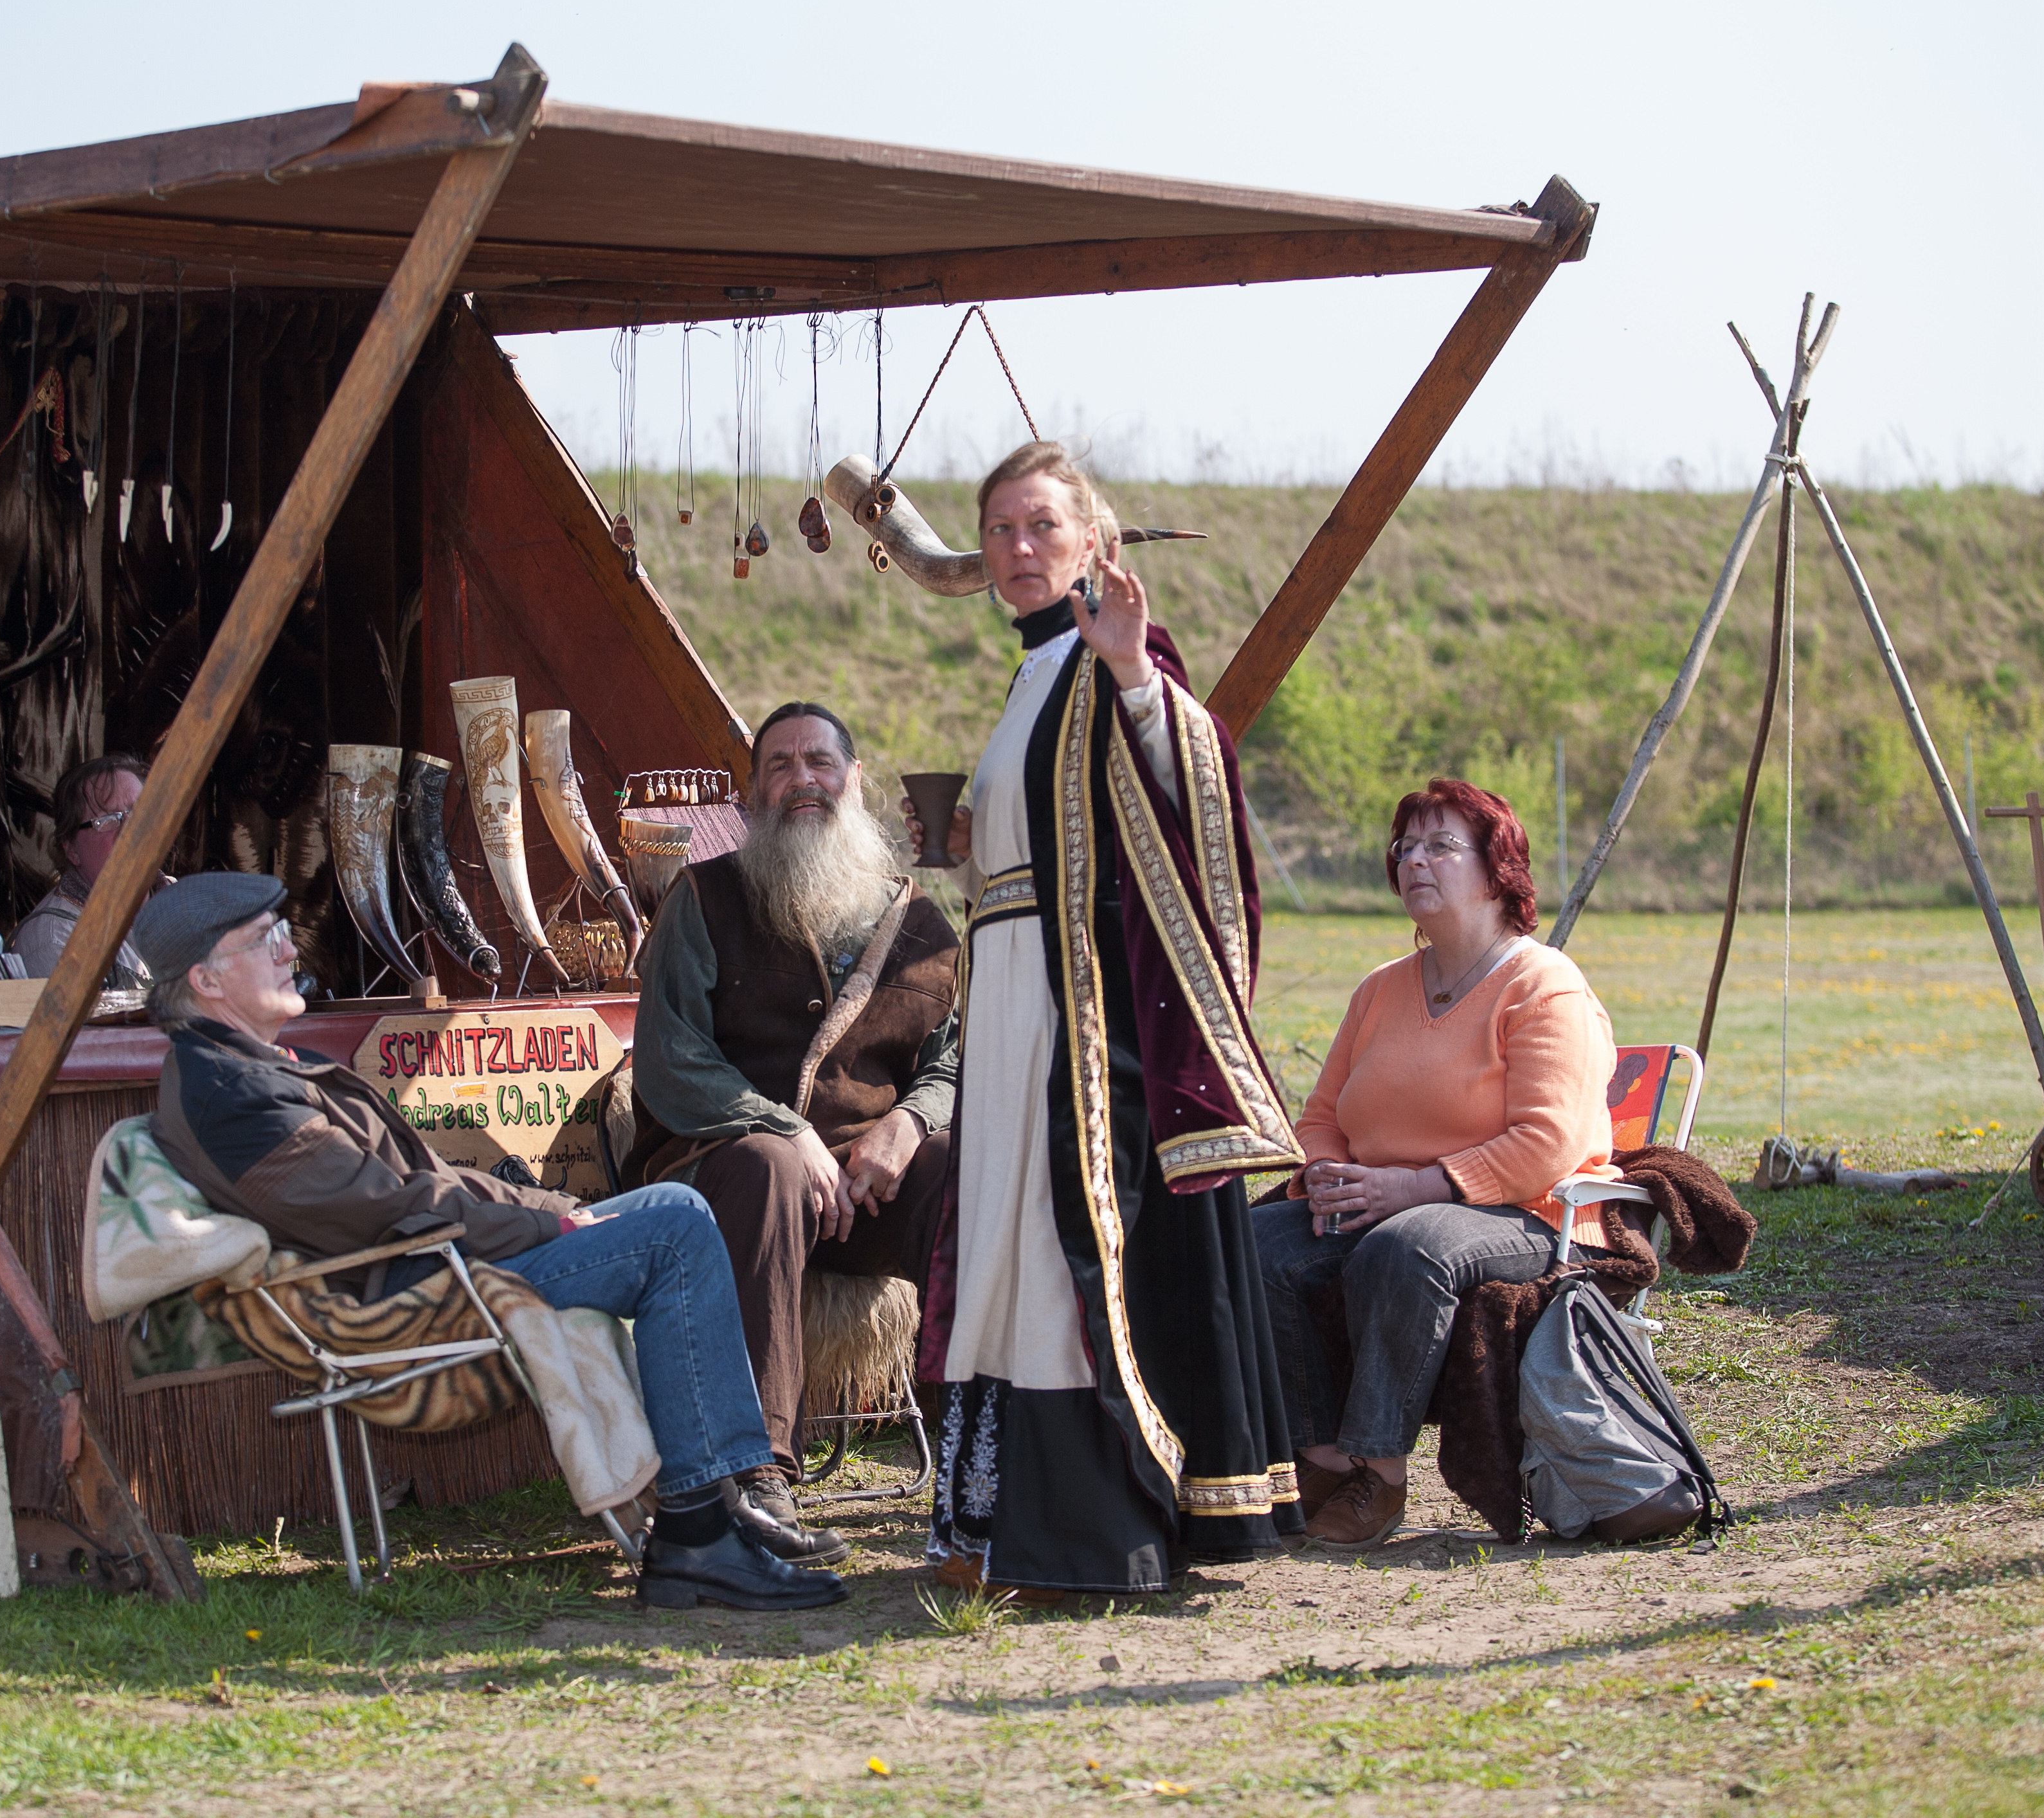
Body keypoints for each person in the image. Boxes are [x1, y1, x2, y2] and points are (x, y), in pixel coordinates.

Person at [131, 871, 845, 1613]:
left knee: (672, 1202)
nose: (289, 950)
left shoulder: (256, 1068)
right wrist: (549, 1224)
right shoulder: (232, 1093)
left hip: (433, 1259)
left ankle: (720, 1501)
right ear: (207, 979)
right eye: (265, 939)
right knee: (674, 1234)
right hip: (410, 1294)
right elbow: (384, 1207)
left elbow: (427, 1181)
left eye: (284, 932)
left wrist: (557, 1206)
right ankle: (699, 1534)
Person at [905, 442, 1308, 1598]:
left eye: (1042, 525)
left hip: (1082, 1018)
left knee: (1056, 1247)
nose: (1019, 548)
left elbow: (1195, 787)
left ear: (1093, 540)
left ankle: (1084, 1534)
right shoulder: (1030, 673)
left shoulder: (1115, 652)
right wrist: (969, 848)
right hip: (1008, 999)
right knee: (1002, 1241)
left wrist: (1134, 671)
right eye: (1000, 530)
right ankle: (988, 1524)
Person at [1251, 778, 1657, 1554]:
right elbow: (1322, 1115)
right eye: (1405, 847)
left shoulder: (1544, 985)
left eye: (1441, 845)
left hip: (1526, 1211)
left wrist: (1411, 1186)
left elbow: (1546, 1143)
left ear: (1499, 870)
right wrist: (1327, 1170)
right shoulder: (1380, 989)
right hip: (1382, 1197)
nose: (1414, 860)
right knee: (1254, 1243)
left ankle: (1380, 1472)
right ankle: (1321, 1459)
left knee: (1406, 1246)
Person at [624, 700, 959, 1565]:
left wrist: (909, 1124)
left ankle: (978, 1455)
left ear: (855, 781)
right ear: (753, 792)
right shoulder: (703, 898)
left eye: (819, 762)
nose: (801, 779)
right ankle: (755, 1476)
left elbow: (956, 1060)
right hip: (721, 1175)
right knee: (771, 1165)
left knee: (963, 1170)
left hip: (865, 1189)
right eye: (779, 765)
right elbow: (669, 1057)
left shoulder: (922, 924)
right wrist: (784, 1129)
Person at [10, 753, 158, 987]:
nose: (130, 830)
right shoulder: (58, 943)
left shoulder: (182, 902)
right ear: (71, 848)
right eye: (108, 820)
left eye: (140, 813)